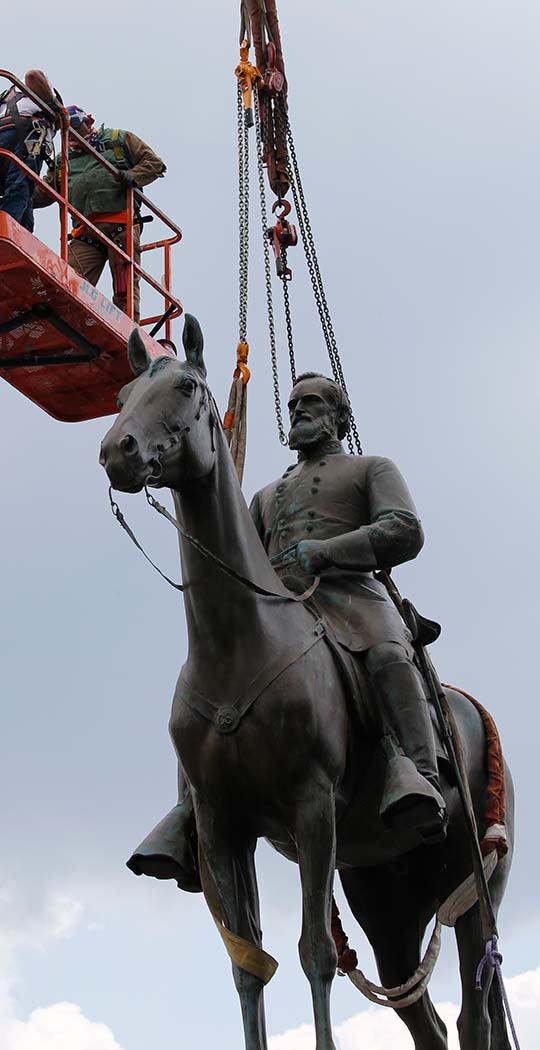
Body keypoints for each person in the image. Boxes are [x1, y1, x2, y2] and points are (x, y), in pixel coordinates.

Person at [128, 371, 447, 892]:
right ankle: (189, 811)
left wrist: (328, 552)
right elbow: (241, 558)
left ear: (339, 417)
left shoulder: (370, 468)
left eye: (313, 403)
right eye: (295, 404)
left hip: (353, 598)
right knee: (205, 689)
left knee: (389, 654)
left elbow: (404, 530)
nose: (299, 411)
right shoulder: (267, 494)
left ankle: (417, 774)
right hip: (281, 611)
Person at [38, 105, 166, 320]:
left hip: (120, 226)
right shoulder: (63, 160)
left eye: (79, 126)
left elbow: (154, 164)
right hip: (85, 234)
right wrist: (5, 189)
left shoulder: (118, 139)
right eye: (70, 131)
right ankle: (66, 326)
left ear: (90, 121)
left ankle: (129, 335)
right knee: (66, 281)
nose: (76, 135)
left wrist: (132, 175)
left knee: (124, 290)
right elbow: (43, 193)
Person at [0, 71, 60, 233]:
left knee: (19, 194)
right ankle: (6, 233)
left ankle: (21, 233)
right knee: (19, 188)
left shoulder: (7, 98)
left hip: (0, 142)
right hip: (25, 140)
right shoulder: (44, 94)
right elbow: (33, 75)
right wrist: (56, 107)